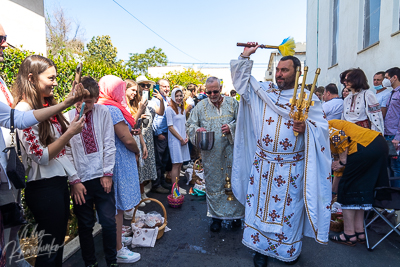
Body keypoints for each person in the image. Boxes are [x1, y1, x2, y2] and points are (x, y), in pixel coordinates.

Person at [230, 43, 331, 265]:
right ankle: (259, 249)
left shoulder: (307, 99)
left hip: (291, 169)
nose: (279, 74)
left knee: (288, 211)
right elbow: (241, 83)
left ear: (296, 72)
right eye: (277, 70)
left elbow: (323, 129)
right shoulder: (264, 93)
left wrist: (307, 129)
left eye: (284, 70)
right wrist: (245, 56)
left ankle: (287, 251)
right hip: (263, 165)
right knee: (260, 207)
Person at [12, 55, 87, 266]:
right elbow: (42, 156)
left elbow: (59, 152)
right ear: (32, 78)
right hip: (43, 189)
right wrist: (69, 133)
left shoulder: (45, 107)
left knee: (55, 251)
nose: (55, 83)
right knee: (50, 253)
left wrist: (73, 178)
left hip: (56, 185)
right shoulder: (23, 112)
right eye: (51, 78)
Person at [65, 76, 118, 267]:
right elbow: (68, 150)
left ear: (96, 99)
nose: (84, 105)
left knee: (108, 222)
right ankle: (90, 263)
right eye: (81, 100)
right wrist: (74, 180)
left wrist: (107, 173)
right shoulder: (68, 117)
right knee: (85, 225)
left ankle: (112, 261)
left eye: (89, 102)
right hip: (81, 181)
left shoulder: (102, 111)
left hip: (101, 177)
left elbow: (109, 143)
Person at [186, 76, 243, 232]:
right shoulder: (200, 106)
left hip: (231, 153)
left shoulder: (233, 103)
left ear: (221, 89)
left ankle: (236, 217)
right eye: (209, 92)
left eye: (215, 91)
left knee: (233, 184)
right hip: (211, 154)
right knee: (213, 185)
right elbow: (190, 125)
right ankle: (216, 218)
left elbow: (244, 122)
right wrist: (197, 130)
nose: (212, 95)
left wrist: (231, 127)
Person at [98, 75, 141, 264]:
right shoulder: (112, 109)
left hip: (107, 161)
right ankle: (118, 249)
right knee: (118, 207)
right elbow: (126, 139)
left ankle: (116, 240)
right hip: (118, 161)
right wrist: (137, 149)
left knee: (113, 205)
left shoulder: (99, 105)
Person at [328, 119, 389, 246]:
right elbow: (340, 170)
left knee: (348, 189)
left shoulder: (323, 125)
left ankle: (349, 234)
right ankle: (359, 232)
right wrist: (333, 192)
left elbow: (339, 138)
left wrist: (343, 161)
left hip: (364, 146)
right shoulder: (333, 128)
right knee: (360, 189)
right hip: (378, 144)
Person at [124, 79, 149, 208]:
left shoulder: (131, 105)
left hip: (136, 142)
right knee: (130, 175)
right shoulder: (123, 106)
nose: (135, 93)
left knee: (137, 173)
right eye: (133, 90)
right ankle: (131, 205)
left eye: (136, 90)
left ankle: (137, 198)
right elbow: (128, 126)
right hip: (128, 145)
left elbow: (136, 129)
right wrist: (139, 112)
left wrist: (143, 145)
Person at [341, 68, 384, 134]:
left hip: (364, 135)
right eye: (345, 80)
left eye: (348, 80)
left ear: (356, 80)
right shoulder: (347, 98)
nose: (345, 82)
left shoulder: (367, 95)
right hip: (349, 134)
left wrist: (376, 137)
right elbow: (343, 119)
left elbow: (376, 118)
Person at [149, 79, 172, 194]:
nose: (167, 88)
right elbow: (155, 118)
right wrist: (158, 133)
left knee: (164, 160)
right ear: (158, 87)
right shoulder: (155, 100)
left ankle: (162, 181)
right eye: (164, 86)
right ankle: (156, 185)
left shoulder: (167, 99)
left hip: (167, 133)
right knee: (158, 161)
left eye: (168, 86)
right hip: (160, 134)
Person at [166, 88, 190, 193]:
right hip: (175, 140)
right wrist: (180, 138)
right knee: (176, 164)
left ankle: (177, 187)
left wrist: (186, 136)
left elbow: (185, 124)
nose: (179, 98)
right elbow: (170, 127)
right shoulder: (169, 109)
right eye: (177, 96)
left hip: (182, 139)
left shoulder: (182, 109)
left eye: (180, 95)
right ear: (172, 97)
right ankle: (174, 190)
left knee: (180, 163)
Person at [383, 67, 400, 187]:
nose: (385, 81)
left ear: (395, 77)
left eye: (387, 78)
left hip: (395, 135)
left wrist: (398, 137)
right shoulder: (391, 93)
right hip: (388, 134)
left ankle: (396, 200)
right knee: (389, 166)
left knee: (396, 168)